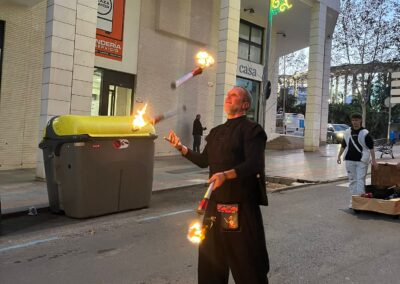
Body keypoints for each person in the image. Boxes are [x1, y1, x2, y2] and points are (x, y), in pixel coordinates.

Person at [166, 86, 269, 284]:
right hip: (215, 206)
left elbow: (253, 163)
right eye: (228, 95)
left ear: (245, 105)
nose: (228, 97)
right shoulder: (216, 132)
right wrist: (181, 147)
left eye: (234, 95)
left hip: (238, 206)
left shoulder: (252, 130)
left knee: (246, 263)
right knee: (211, 261)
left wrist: (226, 175)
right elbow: (204, 160)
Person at [337, 113, 378, 208]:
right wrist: (339, 156)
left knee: (360, 181)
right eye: (353, 120)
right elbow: (344, 145)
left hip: (362, 161)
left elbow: (371, 147)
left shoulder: (365, 133)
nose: (355, 122)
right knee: (352, 181)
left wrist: (374, 160)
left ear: (360, 121)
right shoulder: (347, 132)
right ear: (351, 121)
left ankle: (360, 202)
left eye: (357, 120)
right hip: (349, 160)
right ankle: (353, 202)